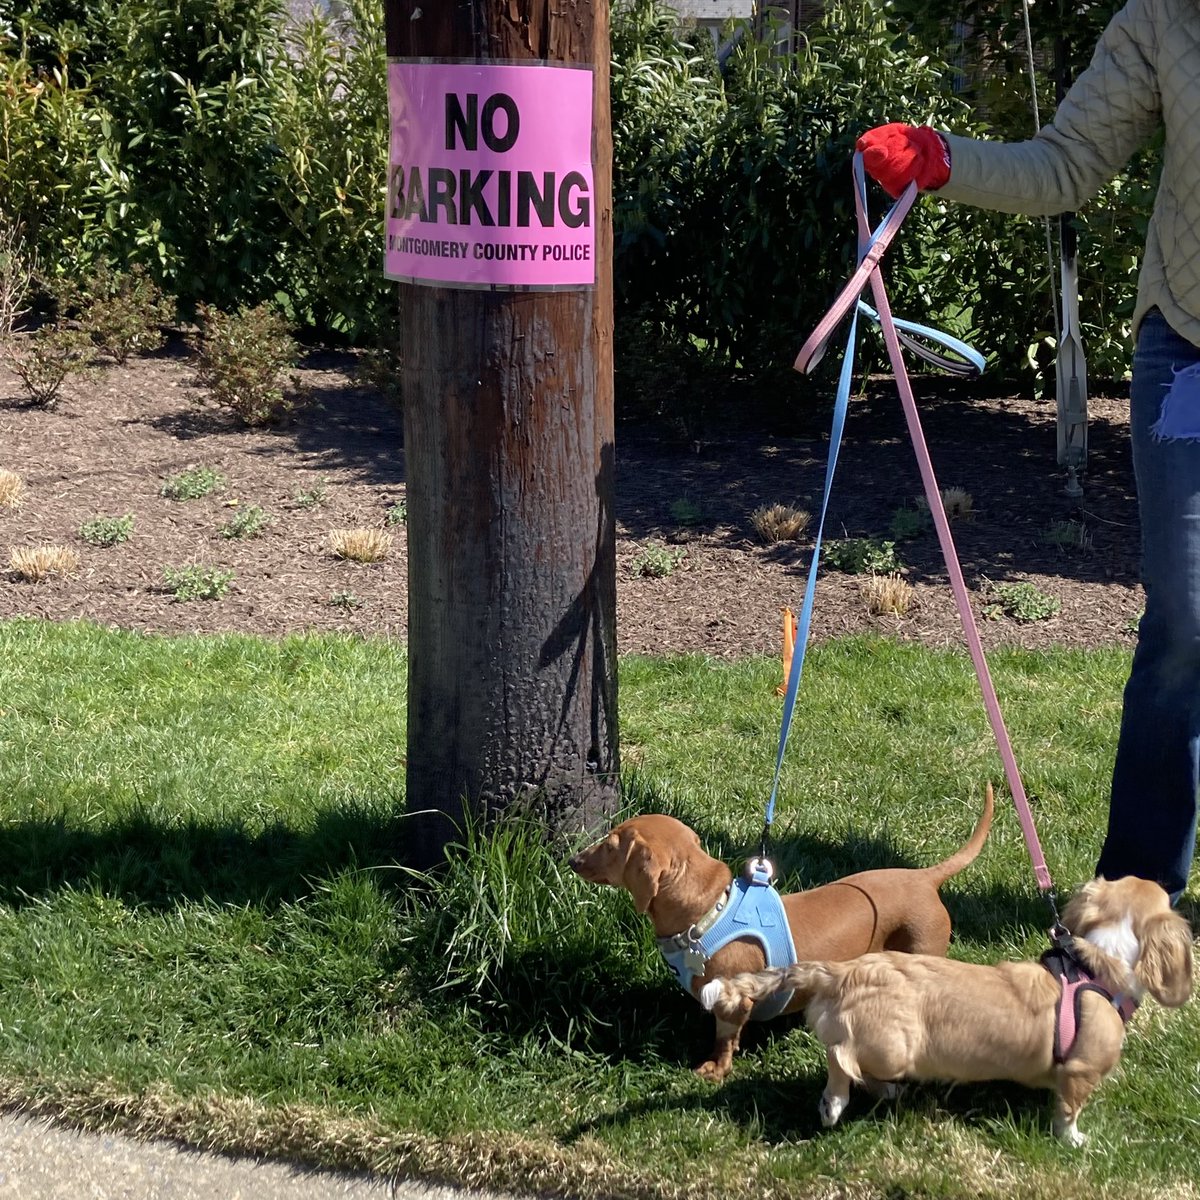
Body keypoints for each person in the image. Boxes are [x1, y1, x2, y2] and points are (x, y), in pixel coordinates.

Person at [856, 0, 1199, 905]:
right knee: (1186, 619)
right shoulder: (1163, 17)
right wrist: (943, 160)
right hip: (1189, 342)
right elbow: (1070, 161)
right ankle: (1136, 894)